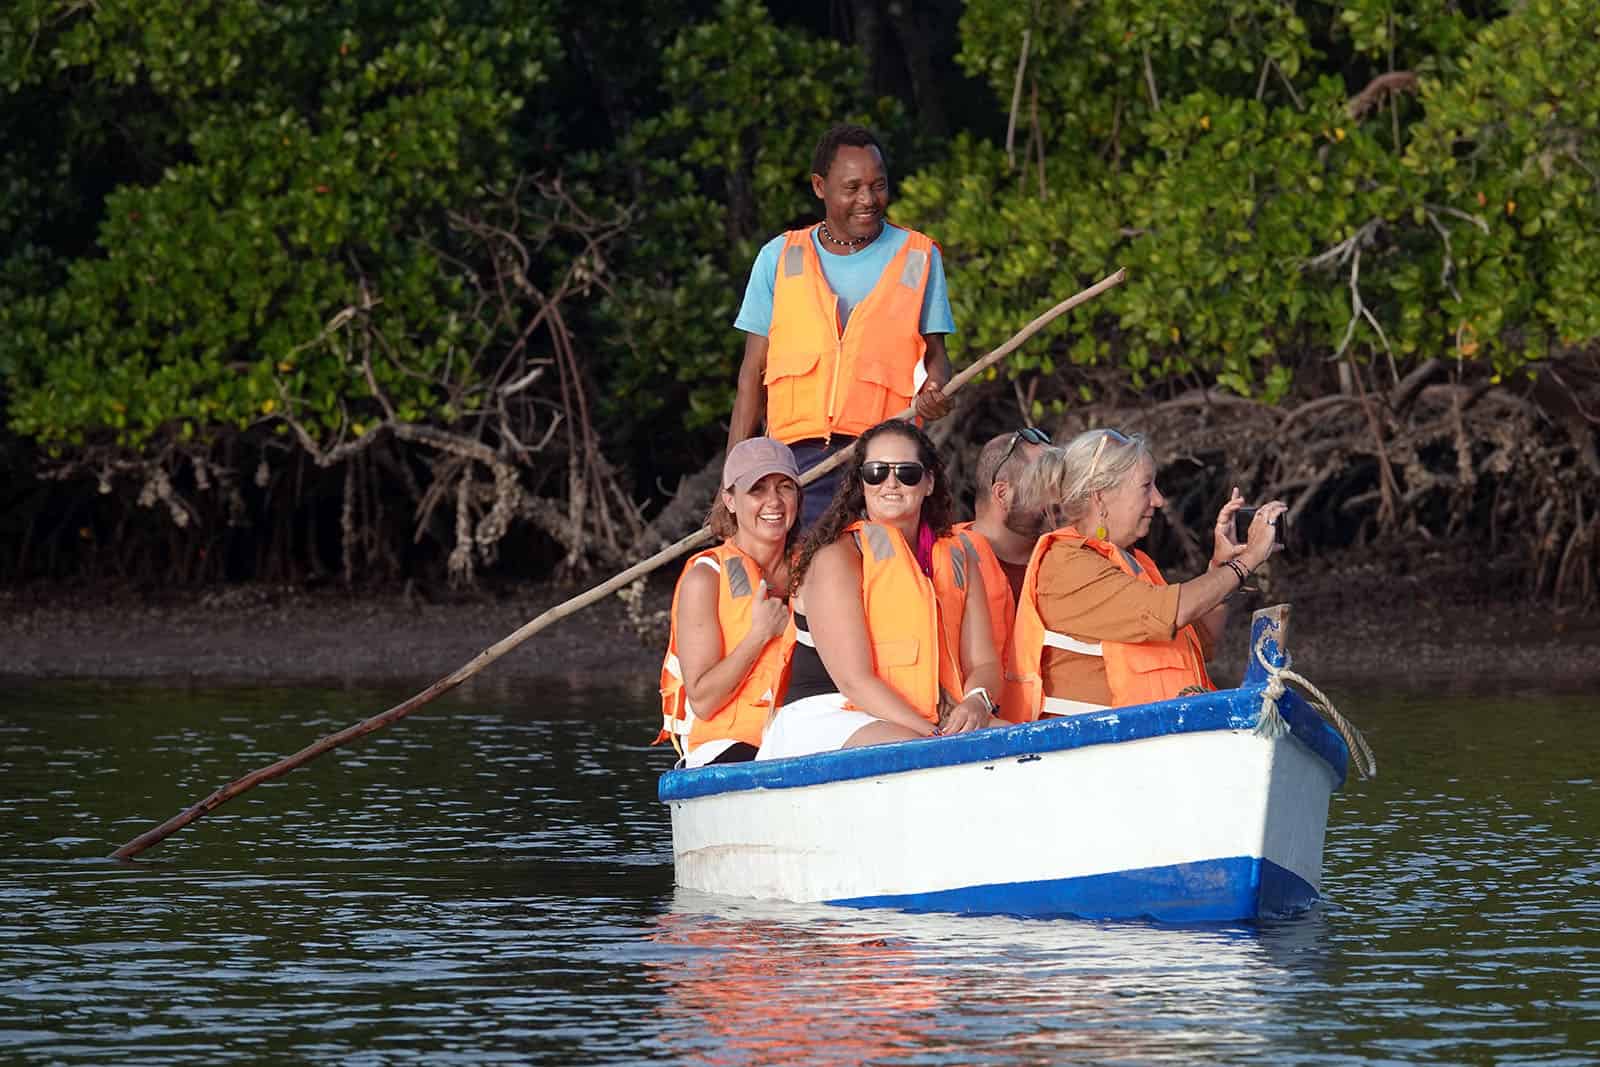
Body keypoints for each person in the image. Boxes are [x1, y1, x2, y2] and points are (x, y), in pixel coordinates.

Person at [728, 124, 957, 528]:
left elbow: (937, 358)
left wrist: (935, 390)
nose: (868, 200)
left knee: (881, 578)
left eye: (878, 185)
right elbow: (751, 375)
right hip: (795, 463)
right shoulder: (778, 257)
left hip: (882, 464)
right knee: (806, 576)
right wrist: (732, 481)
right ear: (820, 187)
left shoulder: (919, 257)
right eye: (852, 188)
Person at [757, 420, 1000, 760]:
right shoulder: (837, 556)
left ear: (928, 482)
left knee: (1014, 737)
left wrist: (977, 701)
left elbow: (985, 661)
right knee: (920, 751)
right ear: (861, 483)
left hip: (921, 715)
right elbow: (855, 681)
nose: (891, 483)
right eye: (876, 472)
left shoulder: (958, 556)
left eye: (907, 473)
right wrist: (933, 734)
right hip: (829, 712)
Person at [1007, 429, 1286, 718]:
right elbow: (1168, 611)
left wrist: (1220, 565)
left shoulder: (1132, 561)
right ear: (1100, 496)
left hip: (1156, 739)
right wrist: (1249, 560)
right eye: (1146, 486)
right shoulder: (1066, 564)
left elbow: (1203, 641)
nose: (1159, 499)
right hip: (1103, 745)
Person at [658, 437, 802, 767]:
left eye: (785, 487)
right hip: (725, 745)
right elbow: (704, 701)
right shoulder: (705, 578)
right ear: (730, 500)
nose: (774, 502)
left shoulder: (815, 569)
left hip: (799, 735)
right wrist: (759, 635)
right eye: (757, 490)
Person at [955, 427, 1051, 721]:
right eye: (1047, 483)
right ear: (1002, 493)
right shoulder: (946, 560)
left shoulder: (1066, 557)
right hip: (975, 732)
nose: (1061, 495)